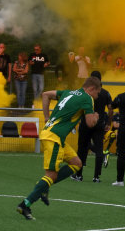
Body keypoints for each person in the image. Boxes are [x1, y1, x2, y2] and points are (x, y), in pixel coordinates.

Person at [16, 76, 101, 220]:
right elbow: (90, 123)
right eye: (97, 93)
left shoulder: (69, 92)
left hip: (53, 135)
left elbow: (45, 95)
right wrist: (96, 117)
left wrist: (46, 117)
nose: (97, 96)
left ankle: (43, 187)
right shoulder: (88, 98)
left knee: (76, 163)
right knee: (51, 175)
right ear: (92, 89)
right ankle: (25, 204)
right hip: (54, 137)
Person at [73, 71, 112, 183]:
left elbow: (78, 107)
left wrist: (75, 122)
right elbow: (110, 108)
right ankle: (96, 177)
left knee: (82, 148)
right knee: (99, 149)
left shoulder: (85, 93)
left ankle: (79, 175)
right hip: (99, 124)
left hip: (85, 122)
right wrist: (108, 123)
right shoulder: (105, 93)